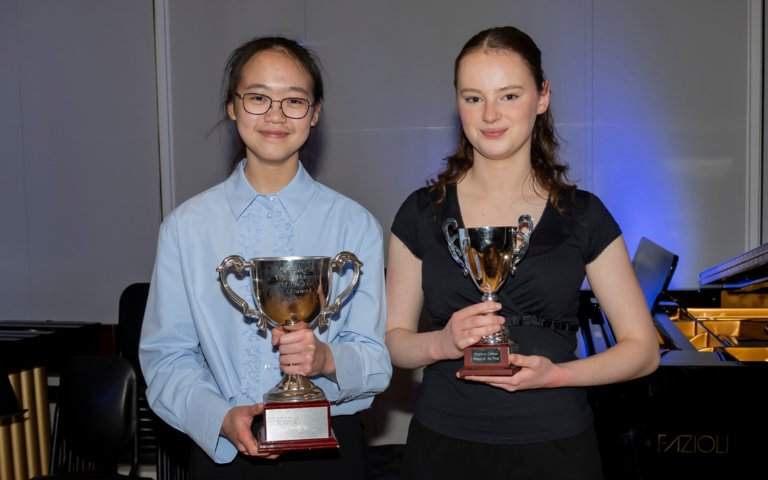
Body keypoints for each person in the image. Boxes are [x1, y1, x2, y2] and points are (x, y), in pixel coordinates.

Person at [385, 26, 660, 480]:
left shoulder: (583, 215)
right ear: (458, 102)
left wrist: (557, 375)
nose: (490, 114)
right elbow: (394, 341)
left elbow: (643, 350)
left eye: (509, 95)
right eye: (473, 98)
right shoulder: (420, 212)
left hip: (555, 446)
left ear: (542, 96)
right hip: (443, 446)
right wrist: (441, 342)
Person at [139, 36, 392, 479]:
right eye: (258, 98)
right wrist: (218, 416)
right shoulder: (186, 227)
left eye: (294, 100)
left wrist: (326, 360)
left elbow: (375, 358)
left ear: (314, 113)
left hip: (328, 450)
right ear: (232, 107)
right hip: (224, 450)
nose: (275, 115)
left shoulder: (354, 224)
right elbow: (167, 356)